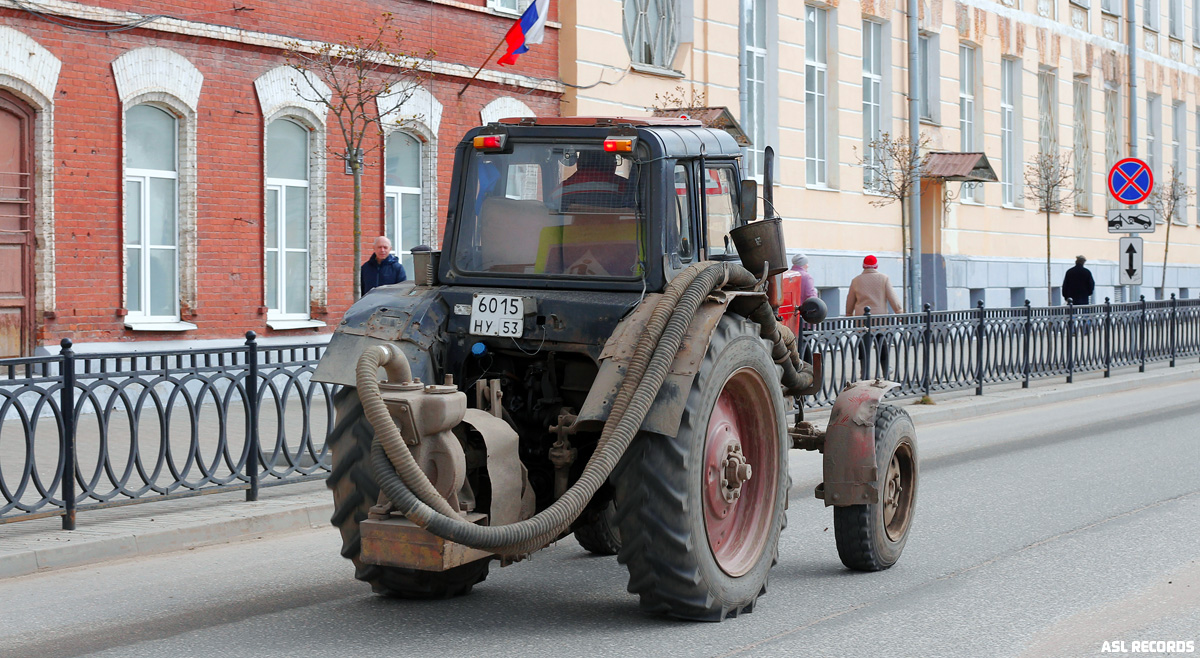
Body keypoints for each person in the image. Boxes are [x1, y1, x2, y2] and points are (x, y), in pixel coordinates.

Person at [846, 255, 902, 378]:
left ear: (863, 265)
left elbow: (850, 300)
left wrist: (849, 314)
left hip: (862, 320)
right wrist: (899, 311)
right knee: (882, 344)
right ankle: (885, 369)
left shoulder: (856, 280)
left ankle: (864, 371)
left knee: (863, 345)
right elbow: (892, 297)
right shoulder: (884, 278)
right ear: (876, 265)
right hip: (880, 319)